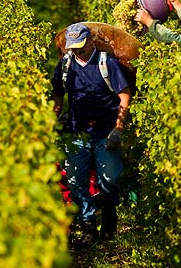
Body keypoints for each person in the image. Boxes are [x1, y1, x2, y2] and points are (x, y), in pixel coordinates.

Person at [52, 22, 131, 246]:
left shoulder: (107, 64)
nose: (77, 51)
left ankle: (108, 215)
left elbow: (124, 96)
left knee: (109, 180)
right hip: (77, 132)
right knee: (77, 182)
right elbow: (58, 97)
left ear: (91, 42)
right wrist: (50, 122)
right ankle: (88, 227)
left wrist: (118, 128)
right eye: (73, 47)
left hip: (105, 132)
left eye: (81, 46)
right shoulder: (66, 66)